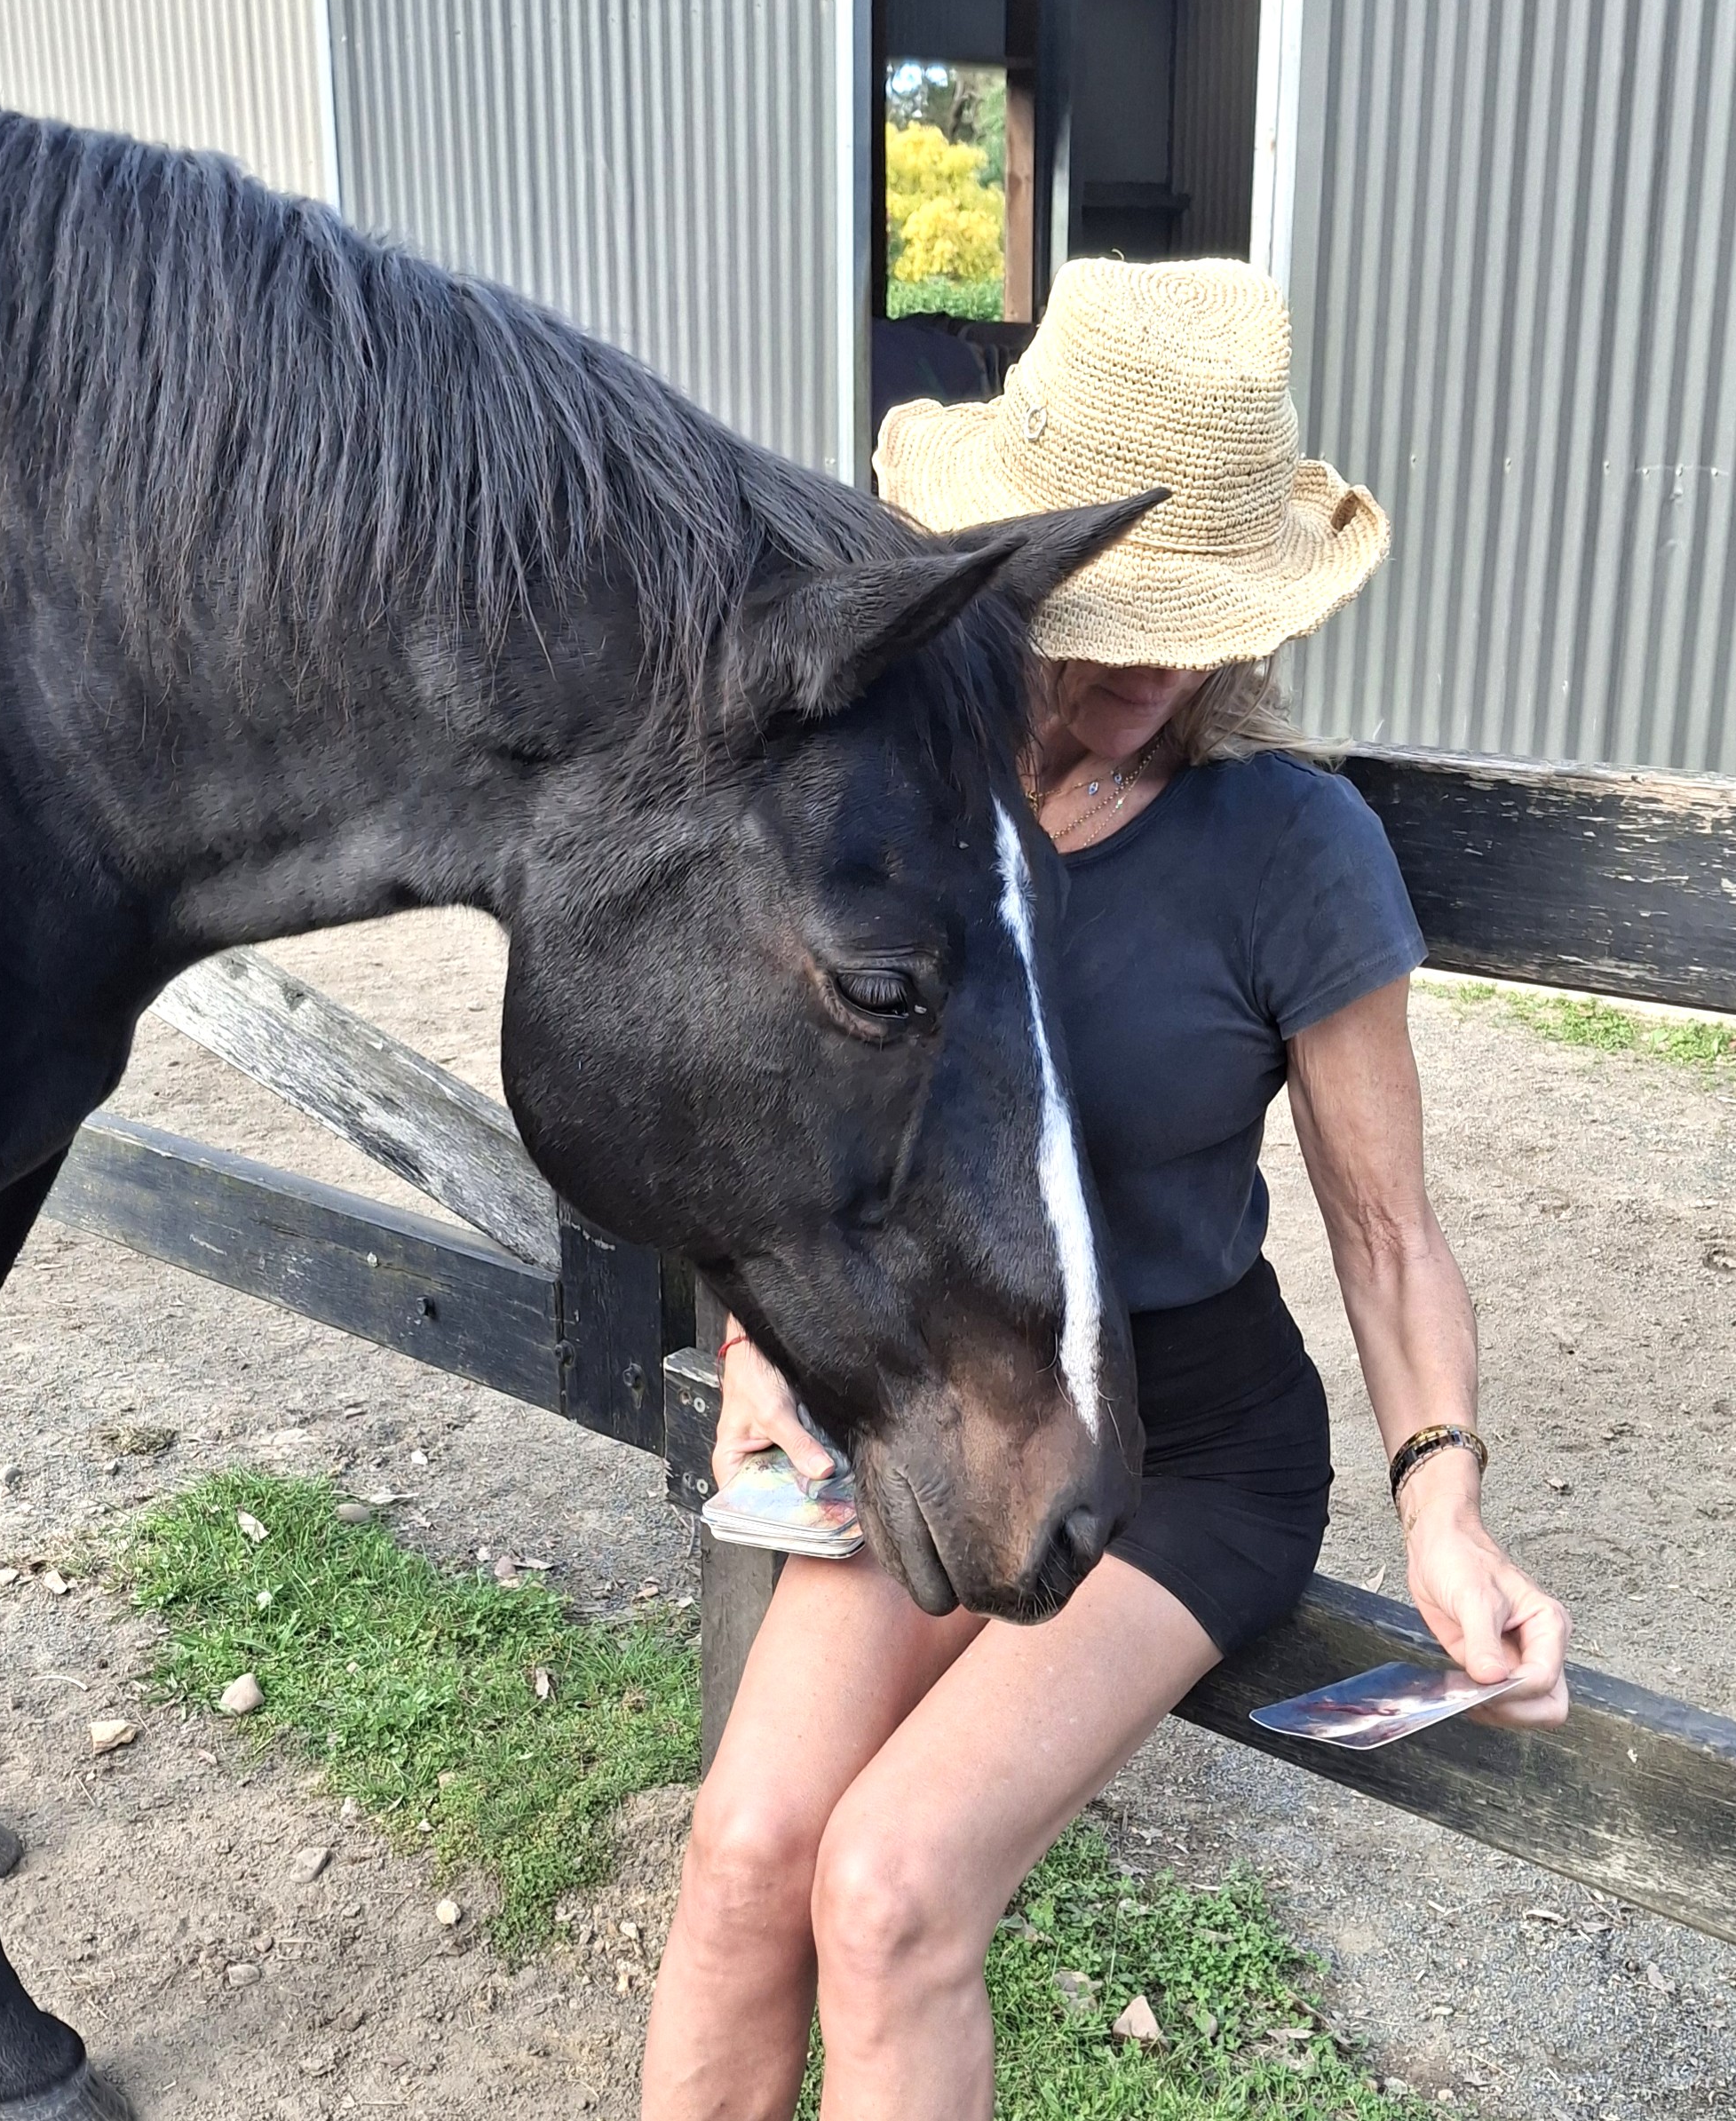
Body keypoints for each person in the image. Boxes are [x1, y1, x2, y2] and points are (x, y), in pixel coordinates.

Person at [638, 258, 1571, 2121]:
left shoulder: (1287, 847)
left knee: (887, 1888)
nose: (1158, 660)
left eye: (1199, 616)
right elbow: (774, 1108)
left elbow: (1387, 1233)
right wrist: (758, 1330)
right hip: (939, 1396)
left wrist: (1444, 1503)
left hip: (1184, 1441)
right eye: (1113, 605)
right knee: (745, 1857)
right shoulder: (883, 791)